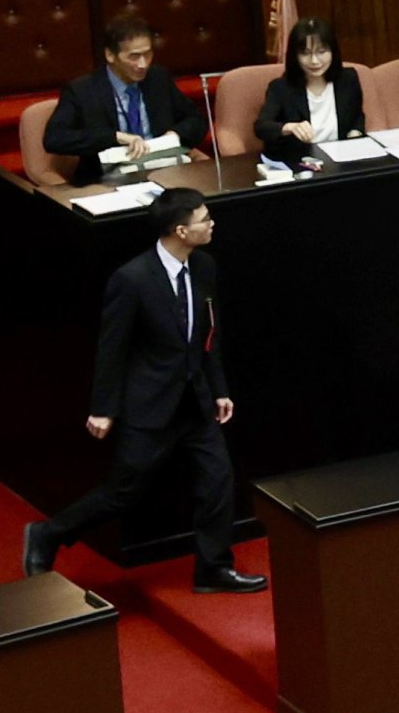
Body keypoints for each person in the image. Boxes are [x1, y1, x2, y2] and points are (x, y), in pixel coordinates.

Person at [23, 189, 263, 592]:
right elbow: (111, 348)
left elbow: (209, 335)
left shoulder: (204, 267)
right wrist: (103, 407)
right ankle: (48, 533)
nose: (212, 224)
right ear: (180, 230)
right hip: (150, 405)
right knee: (122, 493)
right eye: (205, 219)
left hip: (196, 400)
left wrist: (219, 388)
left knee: (219, 482)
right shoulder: (132, 279)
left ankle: (213, 568)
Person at [43, 8, 188, 174]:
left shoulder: (158, 78)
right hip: (108, 178)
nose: (143, 64)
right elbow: (54, 139)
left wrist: (174, 134)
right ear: (110, 55)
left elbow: (195, 120)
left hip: (162, 170)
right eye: (134, 56)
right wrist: (115, 137)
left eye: (147, 54)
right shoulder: (82, 91)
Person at [252, 15, 373, 167]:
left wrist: (356, 133)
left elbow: (357, 116)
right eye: (306, 53)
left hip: (342, 163)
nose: (314, 61)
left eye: (321, 52)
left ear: (333, 52)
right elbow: (262, 127)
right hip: (302, 164)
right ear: (294, 56)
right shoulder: (281, 88)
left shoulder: (347, 79)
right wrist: (289, 127)